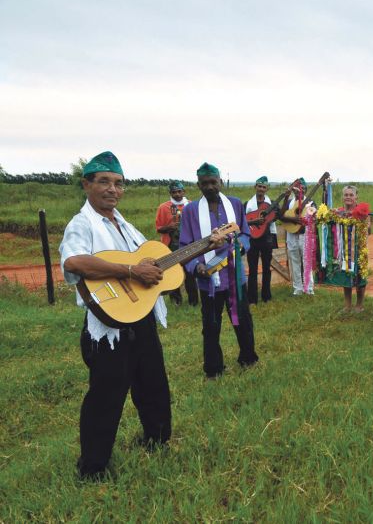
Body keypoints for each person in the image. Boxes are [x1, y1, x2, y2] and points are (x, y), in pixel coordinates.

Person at [60, 151, 175, 479]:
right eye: (104, 182)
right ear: (87, 185)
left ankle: (156, 440)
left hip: (141, 316)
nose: (113, 189)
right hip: (107, 325)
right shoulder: (82, 223)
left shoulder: (124, 225)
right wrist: (130, 271)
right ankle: (92, 468)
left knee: (153, 384)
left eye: (119, 183)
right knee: (106, 396)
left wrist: (206, 246)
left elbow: (147, 262)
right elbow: (74, 262)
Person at [180, 162, 259, 378]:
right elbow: (185, 246)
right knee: (211, 326)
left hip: (235, 276)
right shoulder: (190, 211)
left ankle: (248, 358)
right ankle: (214, 369)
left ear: (221, 182)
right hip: (208, 281)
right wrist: (196, 267)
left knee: (243, 320)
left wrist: (240, 247)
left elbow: (245, 233)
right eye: (204, 183)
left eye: (213, 182)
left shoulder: (235, 204)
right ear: (198, 185)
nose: (209, 187)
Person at [155, 180, 198, 306]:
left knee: (190, 272)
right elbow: (159, 228)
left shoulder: (191, 205)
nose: (177, 194)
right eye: (174, 192)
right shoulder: (164, 207)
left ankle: (193, 301)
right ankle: (176, 301)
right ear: (170, 193)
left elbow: (197, 224)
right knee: (173, 273)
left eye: (179, 191)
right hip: (171, 245)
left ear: (184, 192)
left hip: (188, 244)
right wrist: (169, 227)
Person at [329, 185, 370, 312]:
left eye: (351, 195)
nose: (348, 197)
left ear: (356, 197)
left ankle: (359, 304)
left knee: (359, 276)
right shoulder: (339, 212)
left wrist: (356, 216)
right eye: (346, 195)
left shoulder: (362, 210)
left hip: (358, 249)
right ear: (343, 197)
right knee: (345, 274)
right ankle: (347, 305)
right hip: (344, 250)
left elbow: (368, 227)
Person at [244, 176, 277, 304]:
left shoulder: (271, 204)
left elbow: (278, 215)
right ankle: (252, 298)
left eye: (264, 187)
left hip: (267, 239)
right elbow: (242, 221)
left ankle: (266, 296)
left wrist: (285, 199)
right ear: (255, 187)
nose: (261, 189)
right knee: (252, 269)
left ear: (267, 189)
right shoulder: (247, 204)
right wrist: (254, 221)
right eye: (259, 186)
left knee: (266, 268)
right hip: (252, 239)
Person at [280, 178, 314, 295]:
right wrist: (293, 219)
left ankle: (309, 288)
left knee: (306, 262)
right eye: (298, 188)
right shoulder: (289, 202)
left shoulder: (310, 202)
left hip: (304, 236)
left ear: (306, 190)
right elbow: (281, 216)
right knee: (295, 261)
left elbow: (314, 218)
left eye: (303, 188)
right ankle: (297, 288)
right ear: (294, 190)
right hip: (291, 235)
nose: (300, 190)